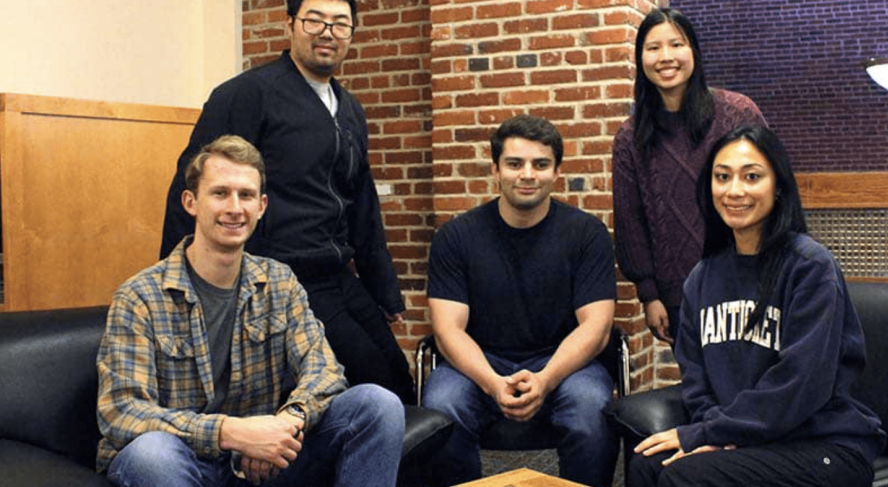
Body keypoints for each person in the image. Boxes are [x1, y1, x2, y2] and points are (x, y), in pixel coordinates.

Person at [97, 135, 405, 487]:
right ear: (190, 202)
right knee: (150, 454)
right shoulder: (139, 297)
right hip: (183, 463)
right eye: (220, 193)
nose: (235, 208)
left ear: (261, 206)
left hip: (264, 462)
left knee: (377, 404)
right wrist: (233, 434)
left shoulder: (279, 281)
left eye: (245, 195)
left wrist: (285, 425)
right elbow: (123, 411)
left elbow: (324, 371)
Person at [160, 0, 415, 404]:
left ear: (351, 33)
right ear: (290, 25)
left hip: (337, 272)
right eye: (314, 20)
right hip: (282, 277)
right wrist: (177, 288)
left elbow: (362, 204)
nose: (327, 32)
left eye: (340, 23)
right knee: (374, 383)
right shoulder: (247, 94)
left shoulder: (349, 109)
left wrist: (384, 290)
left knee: (400, 379)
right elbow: (191, 186)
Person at [627, 125, 886, 487]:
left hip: (825, 445)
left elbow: (800, 384)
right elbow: (696, 383)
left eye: (752, 177)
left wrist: (715, 434)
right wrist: (718, 434)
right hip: (752, 442)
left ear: (778, 186)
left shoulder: (810, 267)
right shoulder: (701, 278)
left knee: (683, 477)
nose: (735, 191)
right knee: (646, 464)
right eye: (722, 177)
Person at [422, 115, 619, 487]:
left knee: (590, 409)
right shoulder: (455, 237)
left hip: (564, 363)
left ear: (557, 171)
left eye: (540, 164)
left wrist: (545, 379)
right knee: (442, 407)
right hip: (479, 362)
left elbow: (596, 327)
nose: (527, 175)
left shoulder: (587, 234)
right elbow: (448, 331)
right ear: (495, 169)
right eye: (514, 163)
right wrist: (493, 383)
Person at [613, 7, 767, 345]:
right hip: (679, 294)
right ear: (640, 59)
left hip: (750, 281)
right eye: (653, 48)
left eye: (676, 44)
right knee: (698, 377)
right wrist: (649, 295)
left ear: (693, 50)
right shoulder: (630, 138)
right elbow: (630, 222)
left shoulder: (737, 113)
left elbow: (773, 189)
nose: (666, 57)